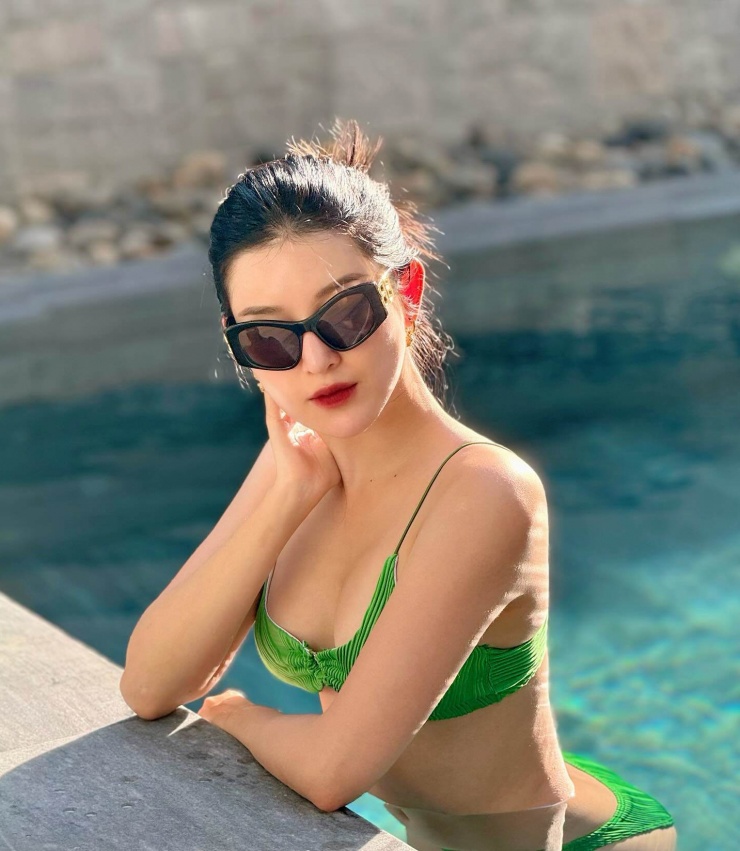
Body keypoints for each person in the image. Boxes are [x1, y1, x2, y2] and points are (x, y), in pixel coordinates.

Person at [119, 119, 677, 851]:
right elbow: (150, 684)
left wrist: (239, 716)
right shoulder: (298, 459)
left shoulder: (485, 492)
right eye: (269, 337)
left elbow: (333, 771)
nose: (316, 361)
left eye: (345, 313)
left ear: (405, 291)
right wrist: (287, 496)